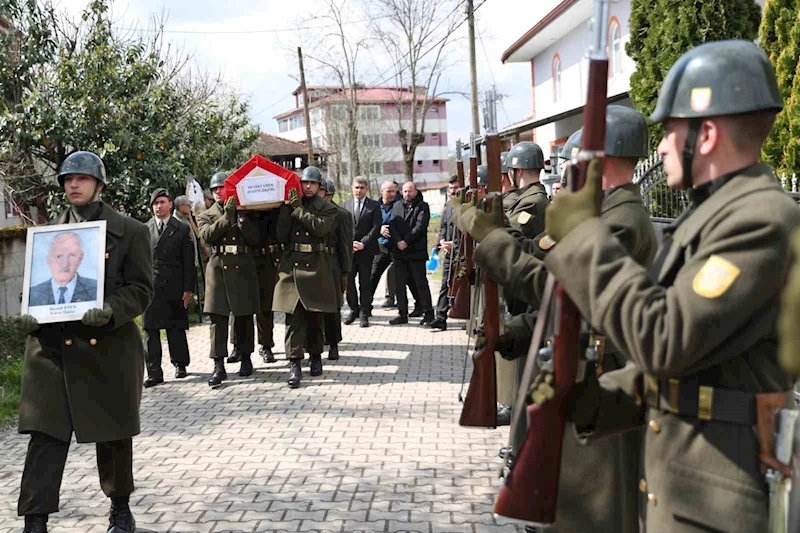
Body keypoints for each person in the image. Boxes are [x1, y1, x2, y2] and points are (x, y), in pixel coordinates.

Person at [538, 40, 796, 533]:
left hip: (716, 505)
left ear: (707, 134)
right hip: (684, 490)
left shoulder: (760, 221)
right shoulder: (715, 217)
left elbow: (665, 338)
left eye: (670, 130)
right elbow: (698, 369)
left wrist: (584, 237)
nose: (658, 147)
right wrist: (594, 396)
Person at [459, 105, 657, 533]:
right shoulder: (600, 217)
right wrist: (519, 331)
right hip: (573, 368)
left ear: (601, 160)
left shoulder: (622, 222)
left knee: (584, 513)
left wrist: (494, 239)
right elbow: (568, 296)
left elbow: (558, 286)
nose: (568, 170)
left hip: (598, 383)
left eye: (577, 160)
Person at [16, 150, 153, 533]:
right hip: (52, 351)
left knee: (113, 436)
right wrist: (28, 311)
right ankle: (35, 519)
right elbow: (34, 288)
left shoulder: (131, 232)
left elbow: (142, 290)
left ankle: (120, 508)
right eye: (67, 179)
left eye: (81, 178)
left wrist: (111, 309)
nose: (73, 184)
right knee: (44, 435)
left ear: (99, 184)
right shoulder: (46, 236)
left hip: (107, 348)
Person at [273, 166, 339, 388]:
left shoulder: (328, 208)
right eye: (304, 183)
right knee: (293, 319)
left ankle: (316, 356)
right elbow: (280, 235)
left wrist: (297, 209)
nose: (308, 186)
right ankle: (294, 364)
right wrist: (285, 209)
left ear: (319, 186)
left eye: (312, 183)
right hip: (292, 265)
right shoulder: (290, 205)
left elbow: (319, 228)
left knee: (315, 317)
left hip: (316, 266)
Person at [196, 171, 260, 387]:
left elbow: (256, 239)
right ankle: (218, 365)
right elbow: (207, 235)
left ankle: (246, 357)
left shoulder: (245, 211)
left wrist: (242, 220)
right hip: (218, 269)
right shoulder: (205, 214)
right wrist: (227, 216)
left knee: (244, 316)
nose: (218, 193)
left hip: (242, 266)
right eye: (214, 190)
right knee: (217, 319)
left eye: (221, 188)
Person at [141, 188, 194, 387]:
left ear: (170, 204)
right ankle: (154, 372)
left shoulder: (181, 228)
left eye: (162, 202)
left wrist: (188, 289)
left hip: (175, 284)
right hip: (152, 286)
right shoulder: (145, 230)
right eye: (155, 203)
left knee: (176, 327)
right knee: (150, 330)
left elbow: (188, 262)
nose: (158, 206)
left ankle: (180, 363)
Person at [388, 181, 434, 325]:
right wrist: (398, 241)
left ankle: (428, 313)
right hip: (399, 252)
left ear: (415, 191)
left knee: (421, 283)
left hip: (416, 251)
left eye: (410, 191)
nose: (408, 194)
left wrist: (405, 241)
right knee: (399, 284)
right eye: (405, 191)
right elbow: (392, 225)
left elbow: (420, 227)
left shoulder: (422, 206)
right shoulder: (396, 206)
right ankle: (402, 314)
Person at [318, 178, 352, 360]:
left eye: (326, 193)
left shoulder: (341, 215)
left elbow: (345, 246)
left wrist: (345, 272)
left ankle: (333, 344)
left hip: (332, 264)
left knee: (333, 308)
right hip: (315, 263)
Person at [342, 176, 381, 327]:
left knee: (365, 283)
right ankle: (353, 310)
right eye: (356, 187)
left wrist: (363, 243)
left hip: (366, 251)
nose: (358, 190)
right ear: (352, 188)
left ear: (366, 189)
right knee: (349, 282)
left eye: (362, 188)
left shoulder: (374, 205)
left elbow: (376, 227)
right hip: (349, 251)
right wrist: (349, 243)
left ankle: (365, 312)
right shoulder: (345, 205)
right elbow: (342, 227)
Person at [427, 175, 459, 331]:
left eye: (456, 188)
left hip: (461, 253)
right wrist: (439, 244)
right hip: (448, 252)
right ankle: (440, 317)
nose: (453, 191)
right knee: (445, 283)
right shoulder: (447, 206)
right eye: (451, 188)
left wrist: (456, 245)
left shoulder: (466, 206)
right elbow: (444, 228)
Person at [28, 232, 97, 306]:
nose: (65, 264)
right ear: (48, 260)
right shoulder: (32, 295)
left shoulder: (96, 289)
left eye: (72, 255)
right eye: (59, 256)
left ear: (81, 258)